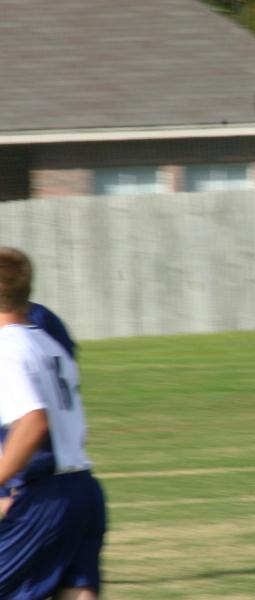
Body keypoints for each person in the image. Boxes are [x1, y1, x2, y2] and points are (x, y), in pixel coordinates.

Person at [0, 247, 106, 600]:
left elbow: (33, 422)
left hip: (43, 500)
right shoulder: (49, 344)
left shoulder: (6, 349)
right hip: (84, 490)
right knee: (77, 593)